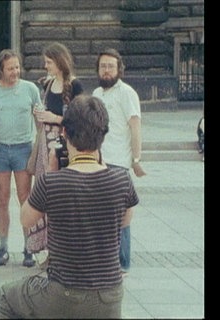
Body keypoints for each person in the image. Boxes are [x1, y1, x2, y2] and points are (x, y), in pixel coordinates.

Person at [0, 94, 139, 319]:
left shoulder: (52, 182)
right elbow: (125, 221)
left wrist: (49, 173)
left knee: (6, 296)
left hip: (65, 293)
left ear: (65, 132)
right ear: (103, 135)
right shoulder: (122, 179)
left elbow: (26, 219)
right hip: (110, 295)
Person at [0, 49, 43, 267]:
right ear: (0, 70)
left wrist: (39, 148)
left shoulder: (30, 89)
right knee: (2, 198)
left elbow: (39, 121)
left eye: (17, 67)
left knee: (25, 198)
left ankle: (29, 247)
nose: (15, 72)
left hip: (23, 148)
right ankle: (3, 246)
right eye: (10, 68)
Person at [26, 42, 84, 260]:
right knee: (46, 193)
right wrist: (39, 114)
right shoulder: (48, 84)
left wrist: (56, 118)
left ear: (60, 61)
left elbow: (80, 116)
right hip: (45, 144)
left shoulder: (75, 85)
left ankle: (64, 249)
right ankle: (50, 249)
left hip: (64, 145)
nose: (46, 65)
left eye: (49, 62)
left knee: (63, 195)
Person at [92, 48, 146, 275]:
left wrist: (136, 158)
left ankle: (122, 262)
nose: (106, 70)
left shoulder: (127, 93)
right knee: (100, 215)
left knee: (122, 213)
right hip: (98, 161)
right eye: (103, 66)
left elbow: (135, 127)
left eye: (110, 66)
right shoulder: (97, 93)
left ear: (118, 69)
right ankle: (102, 260)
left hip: (119, 163)